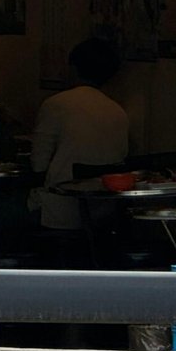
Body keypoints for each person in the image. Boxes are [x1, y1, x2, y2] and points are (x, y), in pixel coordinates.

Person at [30, 37, 130, 233]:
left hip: (60, 208)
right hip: (104, 210)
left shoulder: (57, 104)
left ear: (73, 68)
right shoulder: (118, 111)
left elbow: (38, 163)